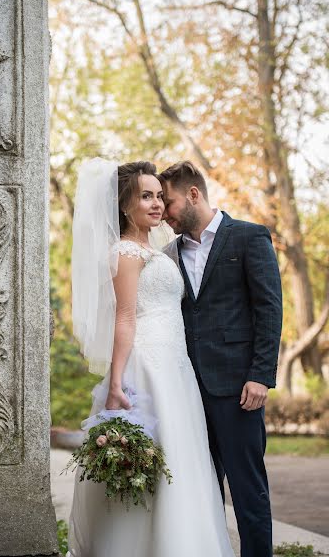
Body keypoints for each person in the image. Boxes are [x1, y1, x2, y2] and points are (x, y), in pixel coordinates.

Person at [67, 158, 235, 557]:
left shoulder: (158, 249)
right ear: (126, 205)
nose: (157, 203)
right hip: (148, 368)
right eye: (146, 196)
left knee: (183, 457)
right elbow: (124, 318)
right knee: (153, 462)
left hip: (177, 367)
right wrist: (116, 383)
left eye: (160, 196)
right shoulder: (125, 252)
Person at [159, 161, 283, 557]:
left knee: (248, 491)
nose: (164, 210)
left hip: (237, 389)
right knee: (201, 493)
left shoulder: (248, 237)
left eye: (169, 201)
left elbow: (269, 309)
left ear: (193, 194)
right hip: (187, 391)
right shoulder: (168, 254)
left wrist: (261, 376)